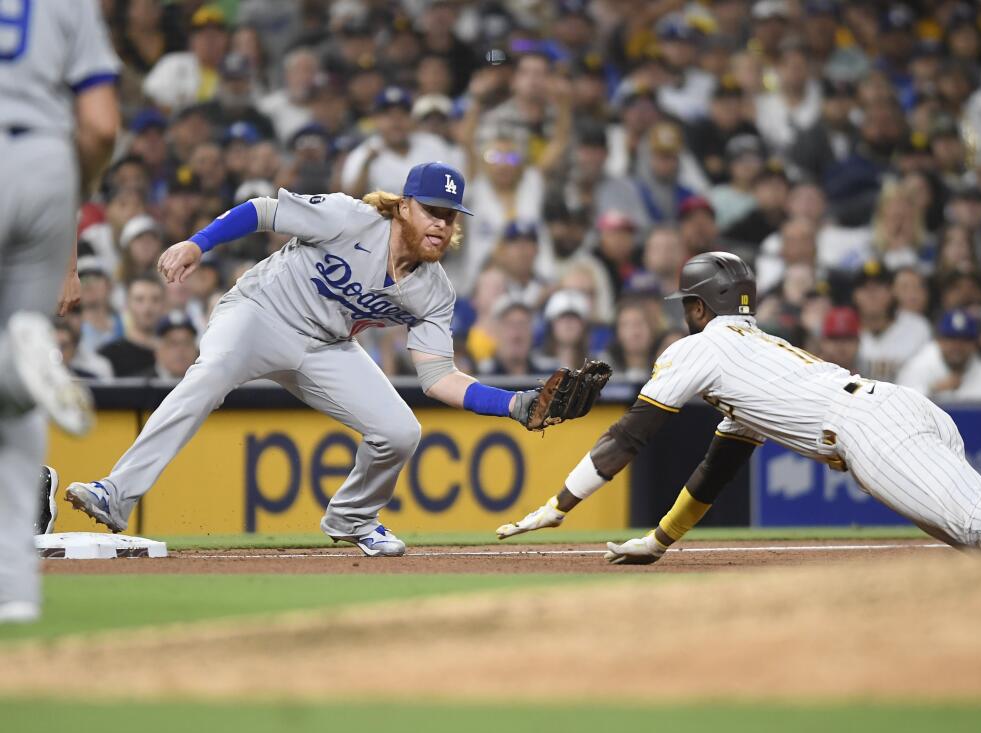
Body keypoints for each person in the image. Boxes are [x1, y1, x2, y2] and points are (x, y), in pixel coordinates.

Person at [497, 252, 981, 563]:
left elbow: (631, 434)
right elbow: (717, 466)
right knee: (979, 540)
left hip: (867, 429)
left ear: (699, 306)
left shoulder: (700, 350)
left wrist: (559, 502)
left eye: (688, 304)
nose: (687, 314)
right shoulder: (752, 352)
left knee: (978, 525)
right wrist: (660, 539)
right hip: (899, 408)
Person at [65, 163, 596, 557]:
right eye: (431, 211)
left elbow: (437, 378)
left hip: (326, 345)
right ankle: (116, 491)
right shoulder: (352, 217)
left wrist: (513, 404)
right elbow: (262, 210)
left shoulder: (433, 290)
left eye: (450, 216)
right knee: (208, 377)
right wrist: (198, 244)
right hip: (261, 312)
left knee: (401, 431)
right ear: (404, 206)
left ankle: (353, 517)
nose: (440, 224)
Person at [0, 0, 120, 624]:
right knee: (12, 406)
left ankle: (17, 356)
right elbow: (99, 126)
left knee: (9, 378)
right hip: (47, 163)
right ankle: (15, 590)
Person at [897, 310, 981, 401]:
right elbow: (900, 407)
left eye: (964, 339)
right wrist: (932, 391)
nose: (957, 346)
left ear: (975, 344)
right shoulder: (916, 369)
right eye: (951, 338)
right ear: (939, 341)